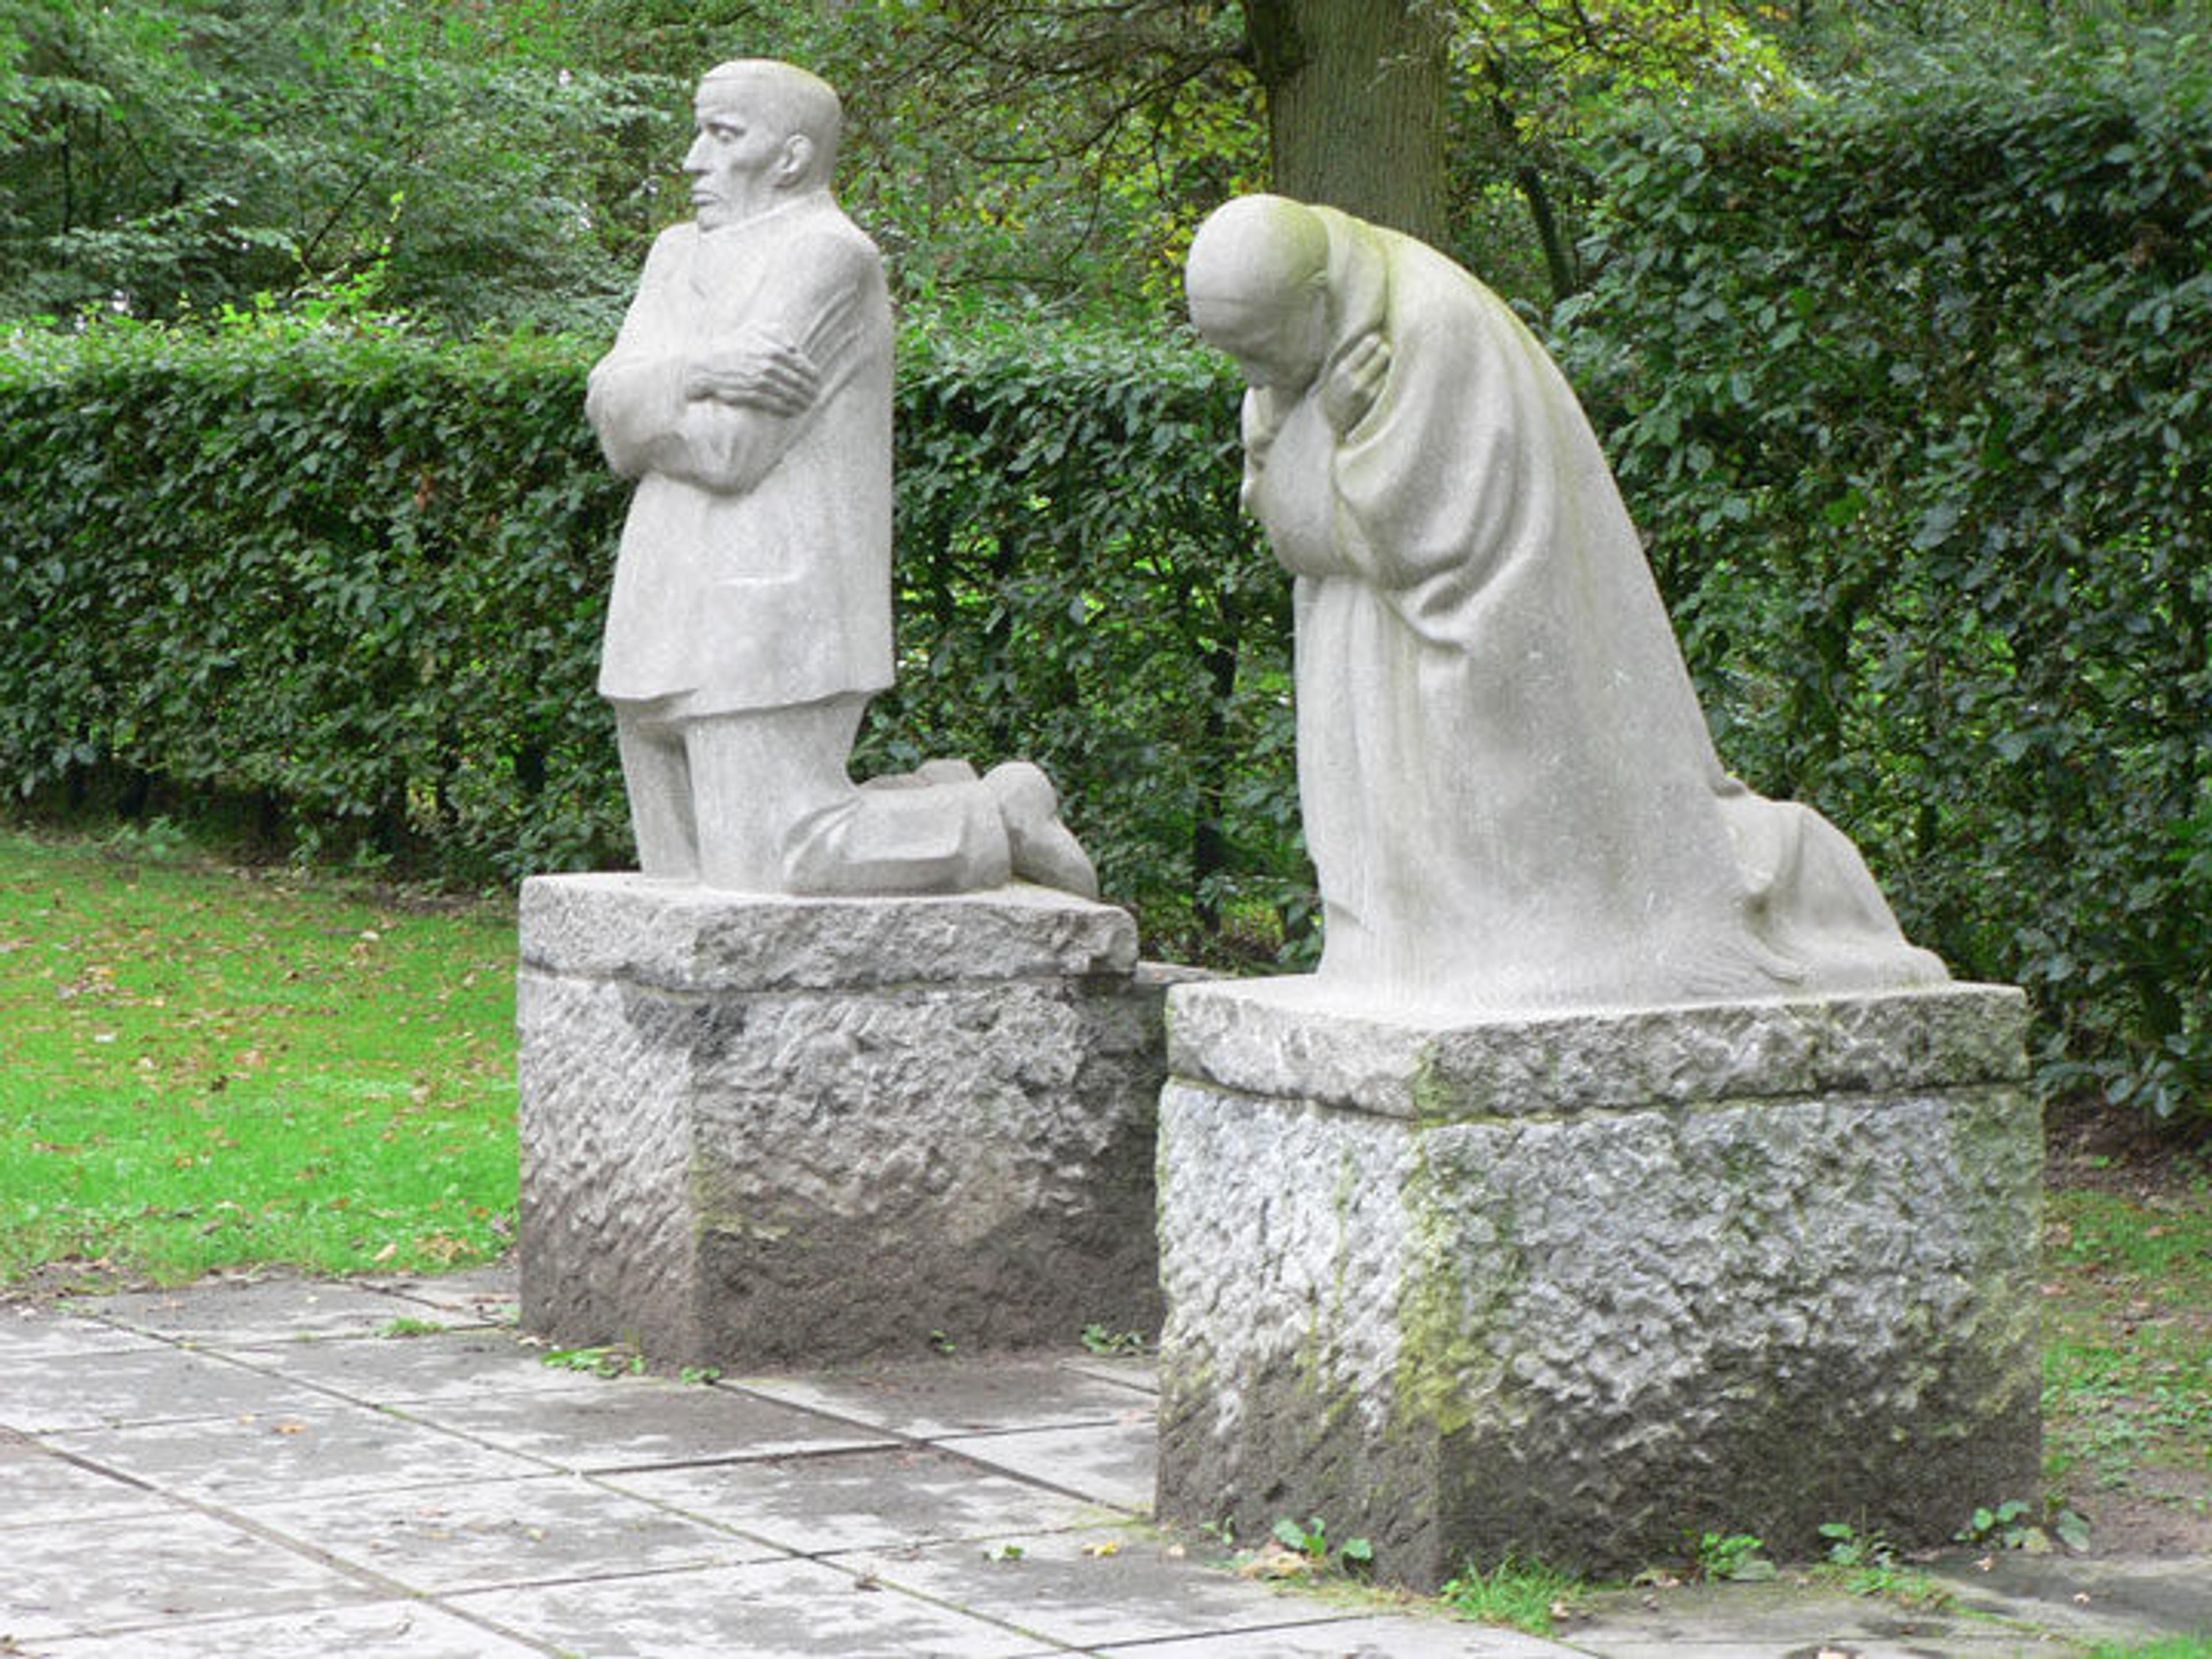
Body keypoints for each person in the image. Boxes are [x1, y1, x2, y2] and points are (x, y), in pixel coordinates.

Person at [1184, 194, 1944, 1010]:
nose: (1253, 379)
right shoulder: (1309, 352)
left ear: (1320, 300)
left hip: (1477, 640)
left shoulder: (1430, 331)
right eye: (1235, 357)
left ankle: (1524, 946)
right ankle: (1416, 951)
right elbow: (1293, 525)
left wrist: (1321, 443)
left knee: (1518, 865)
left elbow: (1389, 535)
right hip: (1370, 644)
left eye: (1260, 351)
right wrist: (1321, 430)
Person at [587, 59, 1093, 897]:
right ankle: (945, 799)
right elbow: (608, 414)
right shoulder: (674, 255)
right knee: (685, 877)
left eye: (721, 135)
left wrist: (653, 397)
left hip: (770, 605)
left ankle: (992, 815)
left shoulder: (827, 256)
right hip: (659, 597)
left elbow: (728, 450)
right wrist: (706, 364)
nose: (690, 160)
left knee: (774, 863)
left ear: (787, 158)